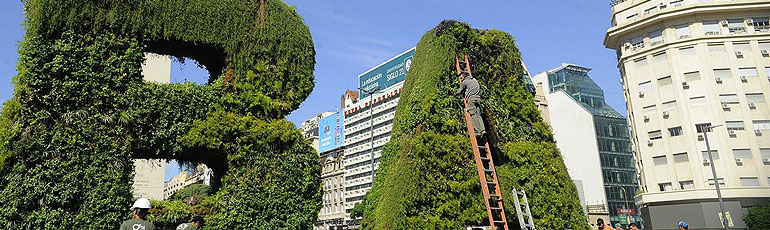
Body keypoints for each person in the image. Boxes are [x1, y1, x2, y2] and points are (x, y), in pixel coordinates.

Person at [456, 70, 486, 138]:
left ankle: (477, 132)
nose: (461, 79)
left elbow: (460, 90)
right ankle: (483, 130)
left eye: (461, 78)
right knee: (478, 115)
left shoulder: (465, 81)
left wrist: (455, 93)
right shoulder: (474, 80)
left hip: (471, 99)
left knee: (473, 115)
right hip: (478, 99)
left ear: (464, 76)